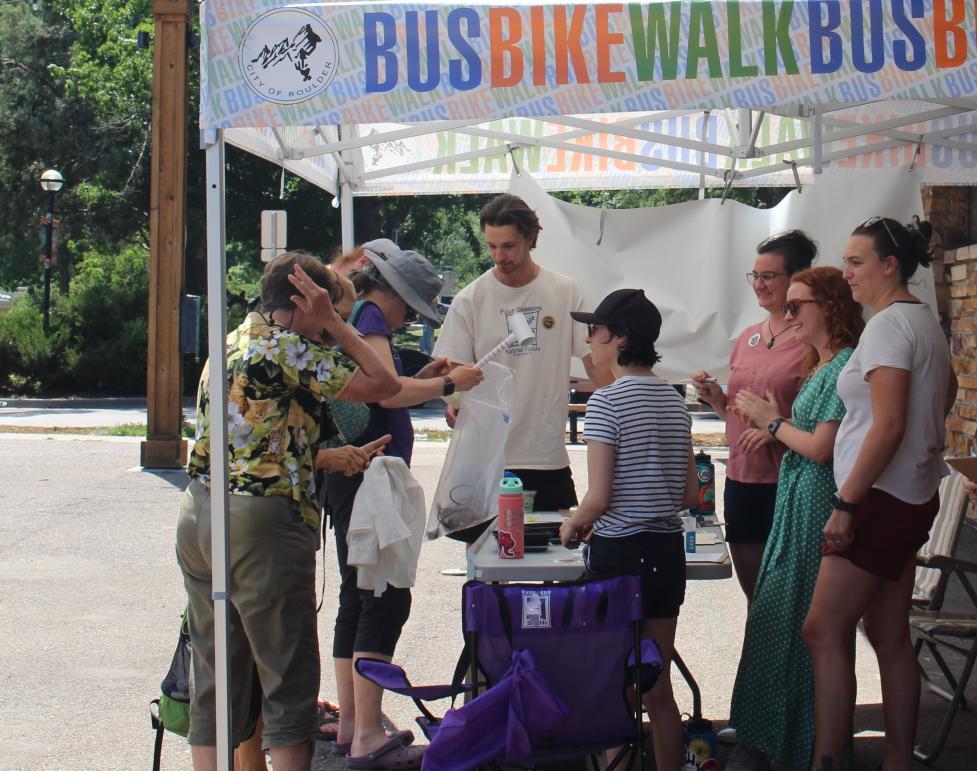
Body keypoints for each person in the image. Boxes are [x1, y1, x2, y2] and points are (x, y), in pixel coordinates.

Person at [176, 252, 399, 771]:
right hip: (261, 521)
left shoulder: (227, 342)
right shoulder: (289, 350)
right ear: (303, 302)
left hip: (199, 511)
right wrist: (336, 322)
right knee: (287, 672)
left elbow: (254, 437)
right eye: (319, 308)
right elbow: (383, 383)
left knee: (216, 672)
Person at [802, 217, 957, 771]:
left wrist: (846, 504)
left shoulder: (890, 325)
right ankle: (897, 761)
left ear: (890, 266)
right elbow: (947, 390)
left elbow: (887, 426)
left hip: (880, 498)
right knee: (888, 634)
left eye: (856, 262)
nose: (847, 274)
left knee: (822, 629)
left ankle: (827, 761)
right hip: (907, 493)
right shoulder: (922, 320)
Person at [326, 239, 483, 770]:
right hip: (369, 476)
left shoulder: (364, 318)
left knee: (358, 592)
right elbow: (386, 393)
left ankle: (353, 724)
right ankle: (368, 731)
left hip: (356, 477)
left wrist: (428, 375)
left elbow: (387, 381)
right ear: (389, 293)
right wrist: (445, 383)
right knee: (385, 596)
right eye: (408, 308)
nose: (405, 319)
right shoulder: (370, 319)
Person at [724, 267, 864, 770]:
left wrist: (772, 421)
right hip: (798, 501)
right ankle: (778, 738)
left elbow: (822, 447)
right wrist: (772, 423)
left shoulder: (844, 362)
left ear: (830, 307)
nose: (787, 315)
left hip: (814, 505)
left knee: (800, 625)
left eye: (797, 305)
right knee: (780, 619)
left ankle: (805, 746)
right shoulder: (824, 361)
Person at [559, 289, 698, 771]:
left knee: (614, 680)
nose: (589, 339)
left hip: (618, 553)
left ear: (618, 338)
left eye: (594, 330)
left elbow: (597, 498)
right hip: (665, 551)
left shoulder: (606, 403)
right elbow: (689, 496)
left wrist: (572, 525)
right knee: (658, 685)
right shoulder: (675, 401)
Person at [433, 193, 611, 518]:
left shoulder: (565, 291)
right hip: (485, 457)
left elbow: (598, 365)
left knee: (551, 558)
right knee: (486, 563)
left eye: (509, 246)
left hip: (545, 456)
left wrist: (625, 408)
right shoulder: (469, 300)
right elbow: (454, 375)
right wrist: (452, 401)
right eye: (492, 246)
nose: (499, 256)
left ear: (530, 239)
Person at [691, 231, 817, 607]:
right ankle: (760, 668)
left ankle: (795, 668)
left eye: (768, 277)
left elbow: (827, 417)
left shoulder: (811, 339)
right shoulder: (747, 336)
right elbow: (739, 416)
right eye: (755, 276)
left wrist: (777, 428)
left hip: (789, 481)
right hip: (741, 480)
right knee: (757, 601)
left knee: (792, 602)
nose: (759, 285)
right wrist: (717, 400)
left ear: (795, 279)